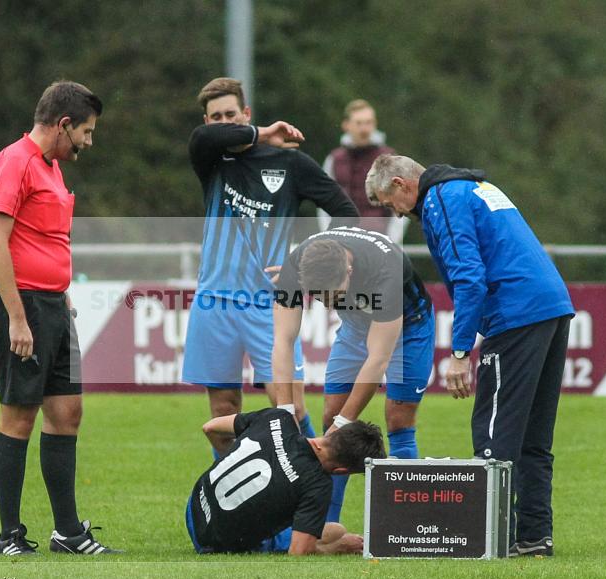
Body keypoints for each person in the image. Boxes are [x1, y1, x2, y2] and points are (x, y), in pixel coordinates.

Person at [365, 155, 574, 557]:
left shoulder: (441, 198)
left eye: (390, 203)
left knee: (494, 432)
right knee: (534, 434)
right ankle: (534, 536)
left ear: (401, 183)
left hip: (514, 313)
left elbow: (469, 276)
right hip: (551, 306)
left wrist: (460, 351)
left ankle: (490, 539)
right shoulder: (471, 186)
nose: (396, 213)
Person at [182, 77, 359, 447]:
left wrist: (306, 259)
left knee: (289, 409)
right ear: (207, 120)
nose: (224, 122)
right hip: (215, 301)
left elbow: (346, 212)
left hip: (272, 303)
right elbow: (203, 138)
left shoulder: (291, 163)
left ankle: (313, 491)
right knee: (223, 410)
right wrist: (260, 133)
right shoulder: (211, 158)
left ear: (245, 112)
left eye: (231, 114)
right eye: (217, 117)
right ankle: (234, 500)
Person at [0, 80, 120, 556]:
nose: (88, 140)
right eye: (85, 131)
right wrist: (19, 319)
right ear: (63, 125)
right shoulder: (14, 162)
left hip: (53, 306)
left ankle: (68, 532)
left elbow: (43, 240)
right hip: (21, 308)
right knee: (18, 417)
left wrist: (59, 295)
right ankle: (9, 535)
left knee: (67, 414)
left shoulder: (52, 167)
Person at [269, 226, 435, 523]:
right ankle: (325, 523)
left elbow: (378, 358)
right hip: (356, 326)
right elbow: (282, 339)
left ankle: (406, 525)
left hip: (409, 327)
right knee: (330, 415)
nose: (329, 303)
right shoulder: (297, 266)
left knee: (398, 418)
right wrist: (284, 410)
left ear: (349, 268)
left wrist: (345, 424)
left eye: (333, 295)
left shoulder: (387, 272)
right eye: (320, 298)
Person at [185, 406, 385, 554]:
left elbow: (210, 427)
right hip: (212, 542)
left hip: (194, 506)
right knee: (335, 532)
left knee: (332, 530)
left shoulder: (278, 418)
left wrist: (231, 459)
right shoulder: (318, 484)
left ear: (335, 433)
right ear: (341, 470)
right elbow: (297, 553)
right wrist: (338, 548)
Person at [318, 100, 406, 243]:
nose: (364, 129)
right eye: (359, 123)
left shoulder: (389, 159)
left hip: (379, 241)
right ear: (346, 125)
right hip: (342, 241)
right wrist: (329, 238)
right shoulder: (334, 159)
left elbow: (401, 204)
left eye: (368, 122)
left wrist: (391, 242)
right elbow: (324, 203)